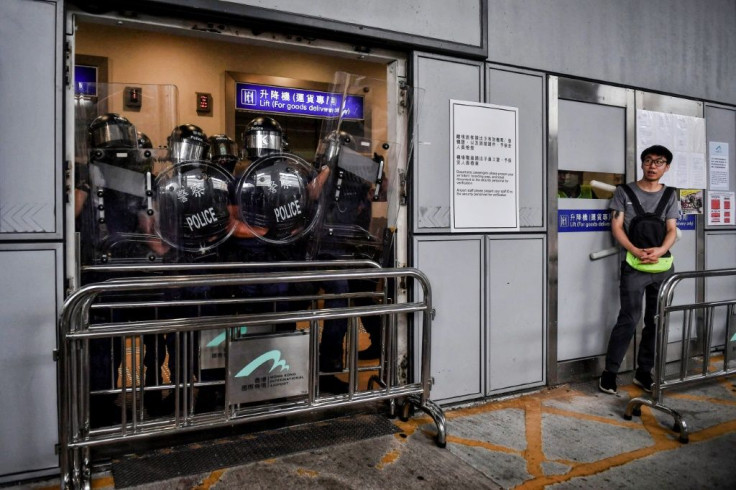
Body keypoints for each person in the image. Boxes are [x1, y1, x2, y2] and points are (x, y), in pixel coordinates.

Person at [599, 145, 680, 395]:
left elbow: (672, 229)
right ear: (642, 164)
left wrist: (659, 251)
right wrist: (634, 250)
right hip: (634, 266)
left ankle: (644, 372)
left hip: (662, 266)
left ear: (666, 167)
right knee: (629, 319)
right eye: (648, 160)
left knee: (655, 320)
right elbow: (617, 226)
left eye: (659, 162)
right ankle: (609, 373)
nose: (653, 165)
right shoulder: (624, 192)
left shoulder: (671, 195)